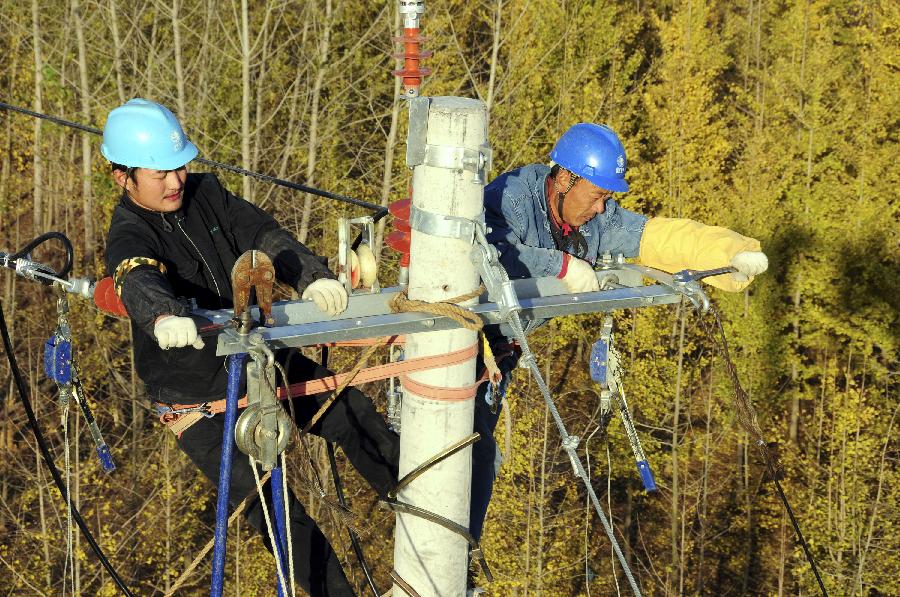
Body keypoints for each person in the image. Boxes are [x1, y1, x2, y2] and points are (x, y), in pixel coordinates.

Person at [103, 98, 399, 596]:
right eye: (160, 174)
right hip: (199, 395)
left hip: (262, 360)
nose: (176, 181)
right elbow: (137, 278)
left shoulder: (206, 195)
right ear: (123, 178)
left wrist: (309, 277)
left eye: (179, 167)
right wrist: (163, 315)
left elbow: (261, 234)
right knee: (276, 507)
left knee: (350, 412)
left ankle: (426, 517)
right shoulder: (130, 232)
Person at [470, 123, 768, 544]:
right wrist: (559, 266)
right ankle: (449, 564)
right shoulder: (513, 197)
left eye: (606, 198)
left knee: (478, 456)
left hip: (502, 353)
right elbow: (486, 248)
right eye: (596, 196)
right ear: (565, 179)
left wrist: (731, 252)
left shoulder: (595, 221)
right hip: (465, 341)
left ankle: (458, 562)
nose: (599, 208)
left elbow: (655, 236)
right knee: (470, 453)